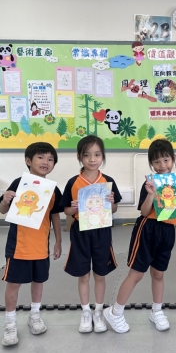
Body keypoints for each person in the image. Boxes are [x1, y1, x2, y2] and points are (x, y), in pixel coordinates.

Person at [104, 139, 176, 333]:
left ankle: (157, 311)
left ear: (173, 159)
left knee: (158, 273)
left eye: (166, 160)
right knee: (136, 274)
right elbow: (144, 211)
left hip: (168, 232)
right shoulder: (149, 183)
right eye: (156, 162)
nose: (162, 165)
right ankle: (115, 312)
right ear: (151, 164)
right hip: (147, 229)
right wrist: (150, 193)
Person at [0, 142, 63, 347]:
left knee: (38, 281)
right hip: (19, 246)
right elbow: (2, 210)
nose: (46, 162)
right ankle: (10, 324)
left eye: (50, 159)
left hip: (41, 246)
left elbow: (54, 215)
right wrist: (5, 200)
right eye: (40, 157)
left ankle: (34, 315)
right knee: (14, 284)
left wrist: (59, 241)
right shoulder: (19, 183)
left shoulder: (52, 189)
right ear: (28, 160)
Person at [60, 135, 122, 334]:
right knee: (84, 274)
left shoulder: (108, 181)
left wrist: (111, 202)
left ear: (102, 156)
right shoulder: (73, 182)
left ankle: (99, 311)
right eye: (86, 155)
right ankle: (86, 311)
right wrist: (72, 208)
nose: (92, 159)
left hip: (102, 232)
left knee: (100, 274)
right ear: (79, 157)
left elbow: (114, 208)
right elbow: (66, 211)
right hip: (80, 232)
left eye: (97, 155)